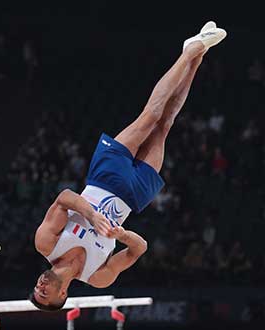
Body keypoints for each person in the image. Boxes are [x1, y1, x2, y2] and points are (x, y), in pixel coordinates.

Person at [29, 21, 227, 311]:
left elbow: (64, 198)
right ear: (62, 298)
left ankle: (189, 52)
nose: (41, 285)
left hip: (104, 178)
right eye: (44, 294)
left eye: (37, 287)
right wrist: (121, 235)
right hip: (134, 197)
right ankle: (197, 56)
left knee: (151, 115)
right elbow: (139, 249)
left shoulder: (46, 244)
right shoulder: (98, 277)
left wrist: (92, 215)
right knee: (166, 123)